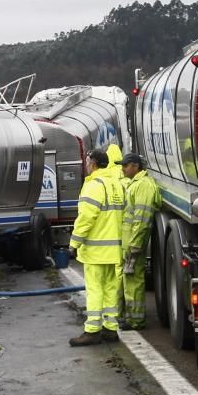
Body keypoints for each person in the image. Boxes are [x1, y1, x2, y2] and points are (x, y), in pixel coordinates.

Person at [69, 148, 125, 346]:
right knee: (111, 289)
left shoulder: (93, 185)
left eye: (87, 161)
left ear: (92, 163)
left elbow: (86, 218)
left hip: (96, 251)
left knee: (95, 289)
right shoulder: (116, 184)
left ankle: (92, 330)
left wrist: (74, 243)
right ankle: (110, 329)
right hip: (114, 250)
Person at [116, 152, 161, 330]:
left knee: (134, 281)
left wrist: (135, 245)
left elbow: (142, 219)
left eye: (125, 166)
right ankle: (130, 317)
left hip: (134, 244)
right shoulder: (136, 184)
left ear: (135, 166)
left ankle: (136, 320)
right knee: (129, 280)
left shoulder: (143, 185)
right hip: (129, 243)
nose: (122, 169)